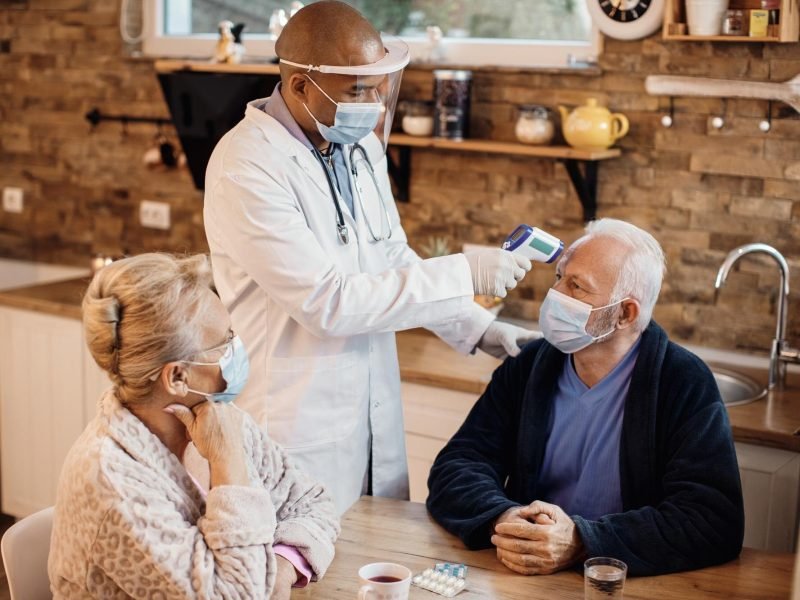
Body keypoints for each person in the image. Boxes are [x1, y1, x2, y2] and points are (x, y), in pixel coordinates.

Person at [203, 0, 536, 514]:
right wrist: (463, 271)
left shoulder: (361, 150)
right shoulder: (246, 165)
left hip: (369, 413)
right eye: (358, 90)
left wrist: (481, 329)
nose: (376, 103)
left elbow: (390, 258)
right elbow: (327, 303)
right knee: (300, 580)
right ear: (299, 87)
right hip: (293, 424)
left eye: (379, 86)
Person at [426, 218, 745, 576]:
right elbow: (457, 466)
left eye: (577, 286)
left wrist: (582, 541)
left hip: (620, 583)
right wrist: (503, 516)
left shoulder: (683, 382)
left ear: (625, 313)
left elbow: (711, 519)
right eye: (559, 277)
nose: (557, 294)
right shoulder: (530, 365)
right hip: (523, 572)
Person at [48, 254, 339, 599]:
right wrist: (228, 464)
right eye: (226, 341)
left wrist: (283, 562)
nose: (238, 349)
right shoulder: (110, 480)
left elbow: (312, 501)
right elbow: (236, 595)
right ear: (177, 377)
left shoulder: (220, 418)